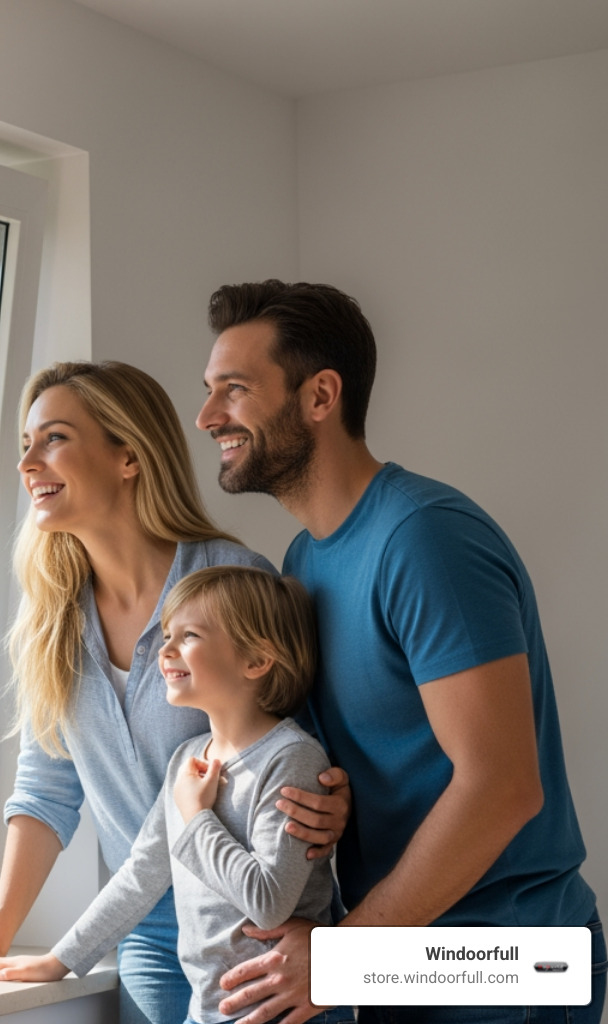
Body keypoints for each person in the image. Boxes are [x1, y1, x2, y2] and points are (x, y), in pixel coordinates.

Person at [0, 361, 349, 1024]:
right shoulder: (53, 618)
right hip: (146, 933)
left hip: (257, 925)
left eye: (53, 439)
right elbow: (47, 791)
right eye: (25, 445)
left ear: (128, 455)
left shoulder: (231, 579)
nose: (28, 465)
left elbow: (295, 748)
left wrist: (331, 805)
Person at [196, 280, 603, 1024]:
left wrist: (343, 957)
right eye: (208, 391)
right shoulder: (303, 561)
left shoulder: (425, 538)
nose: (207, 416)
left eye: (235, 390)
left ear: (320, 397)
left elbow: (504, 786)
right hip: (398, 961)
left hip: (504, 961)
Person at [0, 565, 356, 1024]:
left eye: (188, 635)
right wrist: (60, 961)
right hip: (210, 1013)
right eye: (166, 634)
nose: (164, 648)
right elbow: (142, 874)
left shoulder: (290, 759)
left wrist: (196, 819)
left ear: (256, 661)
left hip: (287, 1013)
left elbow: (268, 903)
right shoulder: (187, 761)